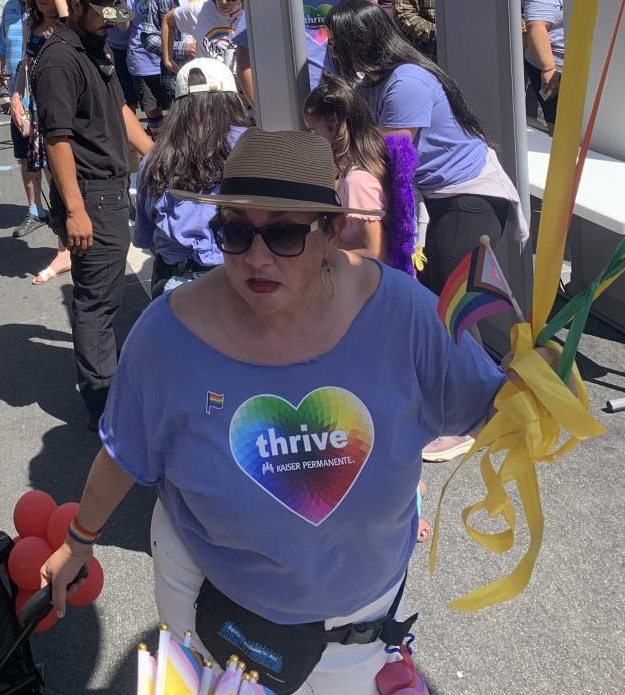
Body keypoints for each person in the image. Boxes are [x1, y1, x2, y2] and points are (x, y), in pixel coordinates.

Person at [42, 128, 514, 694]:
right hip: (212, 604)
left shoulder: (405, 315)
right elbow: (124, 453)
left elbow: (492, 409)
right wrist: (78, 540)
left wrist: (534, 390)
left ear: (332, 232)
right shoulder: (166, 337)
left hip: (363, 618)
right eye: (235, 232)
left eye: (285, 233)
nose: (256, 258)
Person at [326, 0, 526, 462]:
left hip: (468, 195)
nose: (331, 50)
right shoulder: (376, 82)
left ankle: (472, 416)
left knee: (452, 307)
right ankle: (473, 399)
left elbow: (393, 161)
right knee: (444, 302)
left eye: (337, 41)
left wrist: (391, 236)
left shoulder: (406, 82)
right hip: (438, 199)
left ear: (362, 39)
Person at [31, 0, 154, 426]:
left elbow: (118, 108)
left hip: (110, 187)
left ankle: (108, 383)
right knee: (97, 301)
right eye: (104, 15)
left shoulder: (93, 45)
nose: (111, 24)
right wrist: (76, 211)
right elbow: (57, 139)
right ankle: (102, 400)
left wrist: (155, 154)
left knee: (105, 296)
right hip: (90, 192)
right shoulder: (59, 60)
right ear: (77, 5)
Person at [135, 59, 251, 296]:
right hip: (240, 273)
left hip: (175, 281)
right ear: (232, 99)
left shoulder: (155, 158)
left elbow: (145, 236)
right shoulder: (252, 146)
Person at [12, 0, 75, 285]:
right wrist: (16, 95)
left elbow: (75, 42)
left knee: (74, 178)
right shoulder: (30, 22)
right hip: (41, 109)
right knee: (54, 179)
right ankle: (65, 246)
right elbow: (25, 63)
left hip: (73, 109)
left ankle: (79, 240)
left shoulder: (74, 22)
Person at [304, 77, 398, 264]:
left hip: (366, 276)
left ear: (337, 129)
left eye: (313, 132)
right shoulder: (352, 172)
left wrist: (323, 252)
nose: (309, 139)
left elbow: (376, 252)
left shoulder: (357, 182)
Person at [0, 0, 51, 239]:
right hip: (19, 99)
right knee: (26, 158)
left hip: (46, 95)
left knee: (52, 156)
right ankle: (35, 210)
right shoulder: (10, 8)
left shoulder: (47, 8)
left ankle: (61, 207)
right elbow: (3, 42)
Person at [162, 0, 244, 73]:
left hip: (240, 81)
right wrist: (168, 60)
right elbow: (168, 20)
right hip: (208, 81)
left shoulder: (252, 15)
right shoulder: (200, 10)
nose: (223, 2)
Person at [125, 0, 167, 131]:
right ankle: (158, 144)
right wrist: (122, 1)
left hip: (165, 57)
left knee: (176, 108)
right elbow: (124, 26)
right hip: (141, 59)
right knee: (152, 110)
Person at [522, 0, 563, 127]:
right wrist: (548, 69)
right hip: (555, 70)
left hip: (577, 69)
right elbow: (536, 27)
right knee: (559, 128)